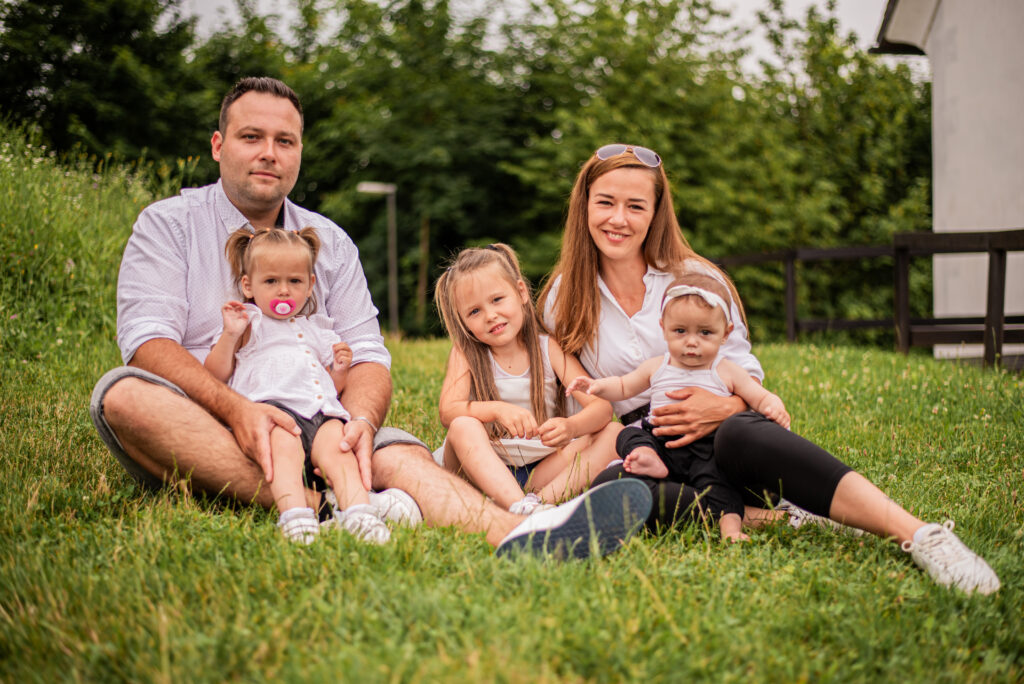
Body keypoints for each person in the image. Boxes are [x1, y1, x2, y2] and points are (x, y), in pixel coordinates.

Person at [88, 77, 651, 559]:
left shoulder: (329, 241)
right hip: (214, 421)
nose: (269, 153)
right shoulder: (169, 224)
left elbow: (368, 354)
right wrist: (237, 411)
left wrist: (359, 421)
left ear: (299, 151)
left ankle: (519, 533)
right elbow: (147, 343)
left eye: (285, 141)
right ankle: (331, 503)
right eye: (251, 137)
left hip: (325, 422)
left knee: (397, 451)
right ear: (218, 145)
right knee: (124, 397)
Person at [541, 142, 1001, 593]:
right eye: (606, 202)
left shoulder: (696, 279)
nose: (618, 219)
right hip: (654, 454)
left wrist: (722, 408)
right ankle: (784, 519)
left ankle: (921, 535)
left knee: (740, 432)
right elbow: (566, 388)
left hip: (725, 442)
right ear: (585, 205)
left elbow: (745, 374)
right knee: (615, 486)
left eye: (635, 206)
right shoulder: (564, 296)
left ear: (655, 212)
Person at [565, 272, 790, 543]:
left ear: (726, 334)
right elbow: (623, 386)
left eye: (705, 332)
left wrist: (774, 406)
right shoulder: (657, 366)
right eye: (680, 331)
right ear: (663, 328)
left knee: (719, 486)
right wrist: (596, 386)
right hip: (661, 444)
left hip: (705, 452)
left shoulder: (726, 371)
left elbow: (759, 397)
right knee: (626, 435)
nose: (691, 342)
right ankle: (647, 456)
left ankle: (731, 529)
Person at [204, 225, 389, 544]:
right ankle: (295, 516)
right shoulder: (249, 325)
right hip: (274, 413)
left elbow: (328, 385)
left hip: (320, 410)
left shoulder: (317, 329)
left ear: (310, 284)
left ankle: (360, 513)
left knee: (340, 450)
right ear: (248, 286)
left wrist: (340, 370)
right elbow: (215, 373)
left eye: (294, 281)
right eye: (271, 281)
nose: (283, 291)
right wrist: (230, 335)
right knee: (283, 455)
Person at [434, 243, 621, 515]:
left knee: (614, 434)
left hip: (540, 470)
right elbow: (448, 411)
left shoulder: (548, 349)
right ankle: (518, 504)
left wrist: (571, 427)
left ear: (521, 292)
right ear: (463, 322)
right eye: (474, 311)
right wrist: (497, 409)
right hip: (481, 469)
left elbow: (601, 408)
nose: (490, 315)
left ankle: (536, 507)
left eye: (497, 300)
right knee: (463, 425)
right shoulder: (466, 353)